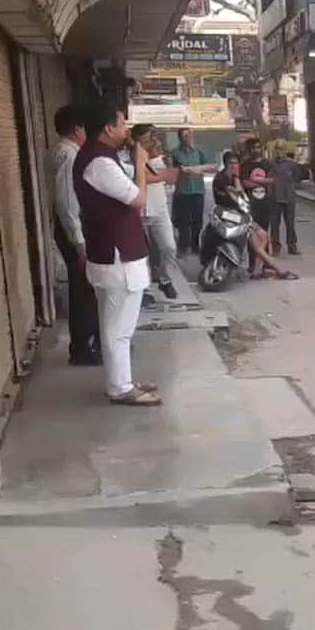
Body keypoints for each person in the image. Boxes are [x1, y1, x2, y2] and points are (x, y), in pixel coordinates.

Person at [73, 103, 161, 406]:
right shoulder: (99, 163)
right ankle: (120, 388)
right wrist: (139, 163)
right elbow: (136, 199)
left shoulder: (102, 158)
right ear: (108, 129)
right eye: (122, 124)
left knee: (118, 328)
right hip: (115, 258)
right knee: (117, 330)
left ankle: (123, 381)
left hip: (117, 256)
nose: (126, 130)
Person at [51, 105, 100, 366]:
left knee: (84, 287)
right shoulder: (70, 157)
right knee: (82, 289)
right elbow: (67, 202)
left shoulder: (67, 152)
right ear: (77, 129)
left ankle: (85, 343)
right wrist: (79, 242)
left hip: (72, 229)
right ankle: (81, 349)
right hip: (74, 231)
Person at [139, 134, 181, 299]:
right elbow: (139, 178)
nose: (155, 142)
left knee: (169, 246)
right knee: (142, 252)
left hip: (159, 208)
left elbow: (171, 176)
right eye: (149, 139)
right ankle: (145, 288)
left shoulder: (162, 160)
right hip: (140, 210)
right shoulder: (132, 159)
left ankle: (165, 280)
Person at [170, 128, 211, 256]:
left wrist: (197, 170)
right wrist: (184, 170)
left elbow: (207, 166)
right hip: (183, 190)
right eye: (185, 136)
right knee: (183, 220)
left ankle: (195, 244)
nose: (188, 138)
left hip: (198, 190)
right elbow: (173, 170)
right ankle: (183, 246)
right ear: (180, 138)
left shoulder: (199, 151)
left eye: (190, 135)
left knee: (197, 220)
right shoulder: (175, 153)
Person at [266, 141, 301, 256]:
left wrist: (290, 187)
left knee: (290, 223)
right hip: (275, 198)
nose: (279, 152)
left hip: (289, 198)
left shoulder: (292, 164)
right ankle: (275, 247)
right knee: (275, 224)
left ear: (285, 150)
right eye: (277, 149)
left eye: (281, 149)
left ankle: (292, 246)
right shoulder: (270, 164)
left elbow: (296, 178)